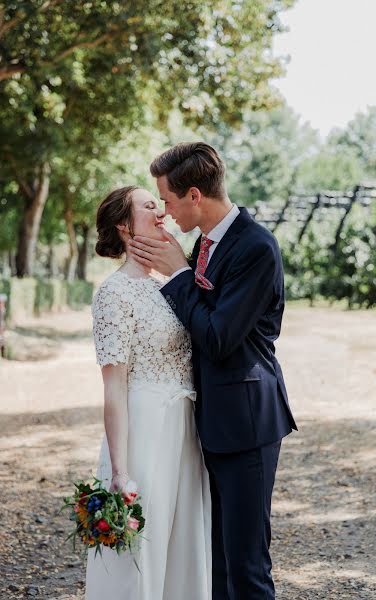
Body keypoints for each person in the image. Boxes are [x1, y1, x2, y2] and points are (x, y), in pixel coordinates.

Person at [129, 142, 298, 600]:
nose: (164, 212)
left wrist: (179, 275)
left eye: (166, 200)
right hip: (210, 422)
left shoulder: (256, 246)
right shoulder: (206, 242)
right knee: (216, 562)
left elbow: (220, 338)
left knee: (247, 565)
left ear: (195, 196)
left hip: (247, 422)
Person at [85, 185, 211, 600]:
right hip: (144, 429)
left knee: (184, 543)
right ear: (124, 226)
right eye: (148, 206)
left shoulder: (172, 282)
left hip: (184, 428)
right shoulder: (113, 293)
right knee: (142, 548)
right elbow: (115, 386)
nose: (161, 213)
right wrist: (120, 470)